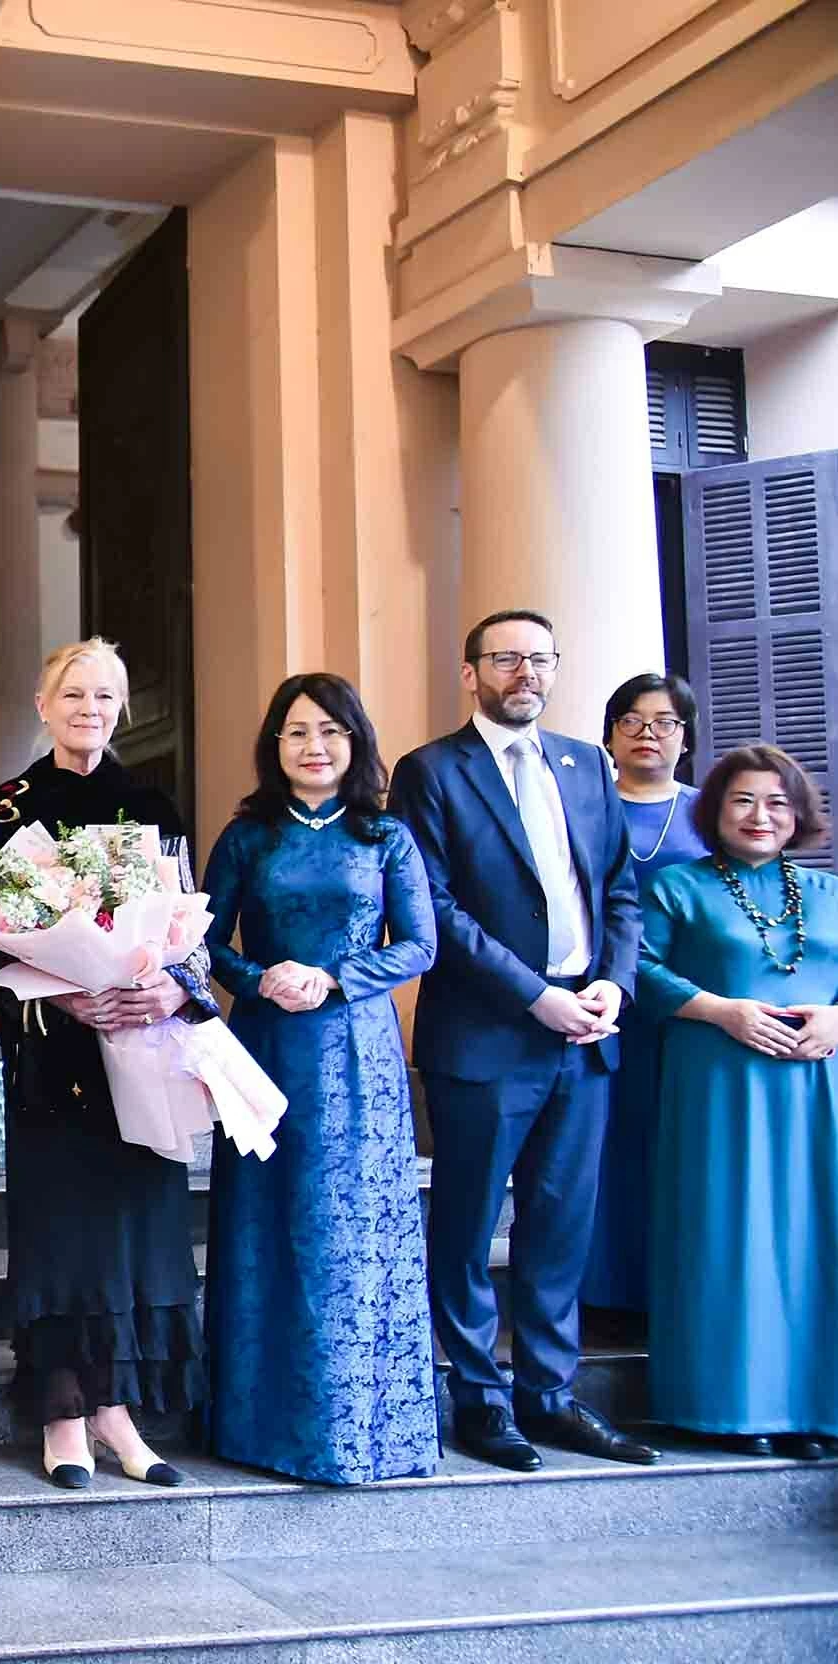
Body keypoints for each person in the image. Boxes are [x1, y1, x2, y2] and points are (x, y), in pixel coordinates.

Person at [386, 609, 655, 1473]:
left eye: (539, 658)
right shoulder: (432, 771)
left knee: (560, 1224)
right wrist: (536, 996)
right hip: (488, 1033)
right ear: (471, 674)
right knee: (468, 1226)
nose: (525, 673)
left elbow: (618, 889)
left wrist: (613, 981)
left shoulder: (587, 764)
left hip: (587, 1032)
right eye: (506, 659)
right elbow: (433, 907)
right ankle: (479, 1399)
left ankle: (550, 1394)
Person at [0, 638, 207, 1491]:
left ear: (122, 710)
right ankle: (64, 1415)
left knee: (133, 1230)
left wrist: (172, 989)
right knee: (63, 1234)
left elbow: (188, 926)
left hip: (139, 1046)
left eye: (106, 696)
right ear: (44, 705)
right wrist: (60, 996)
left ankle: (117, 1413)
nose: (90, 709)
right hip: (53, 1054)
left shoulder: (151, 802)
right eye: (74, 693)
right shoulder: (9, 808)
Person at [201, 673, 437, 1485]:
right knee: (268, 1223)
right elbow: (203, 943)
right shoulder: (248, 837)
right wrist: (258, 977)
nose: (314, 746)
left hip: (358, 1051)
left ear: (356, 741)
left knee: (352, 1227)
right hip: (267, 1044)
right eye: (298, 732)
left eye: (331, 731)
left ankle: (363, 1429)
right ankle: (260, 1429)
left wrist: (336, 977)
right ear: (274, 745)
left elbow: (420, 945)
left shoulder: (386, 836)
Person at [639, 746, 838, 1459]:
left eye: (777, 802)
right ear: (715, 810)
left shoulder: (827, 890)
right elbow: (637, 967)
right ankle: (727, 1405)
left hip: (817, 1090)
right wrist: (720, 1010)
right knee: (729, 1233)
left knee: (817, 1237)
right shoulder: (678, 886)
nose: (761, 815)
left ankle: (814, 1407)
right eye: (743, 800)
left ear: (799, 814)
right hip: (718, 1082)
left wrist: (836, 1018)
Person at [580, 672, 705, 1324]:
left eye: (664, 722)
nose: (647, 734)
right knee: (607, 1144)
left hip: (691, 1007)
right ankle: (608, 1292)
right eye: (631, 720)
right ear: (610, 735)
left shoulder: (713, 811)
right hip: (604, 999)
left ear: (686, 736)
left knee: (681, 1145)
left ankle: (680, 1288)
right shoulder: (584, 808)